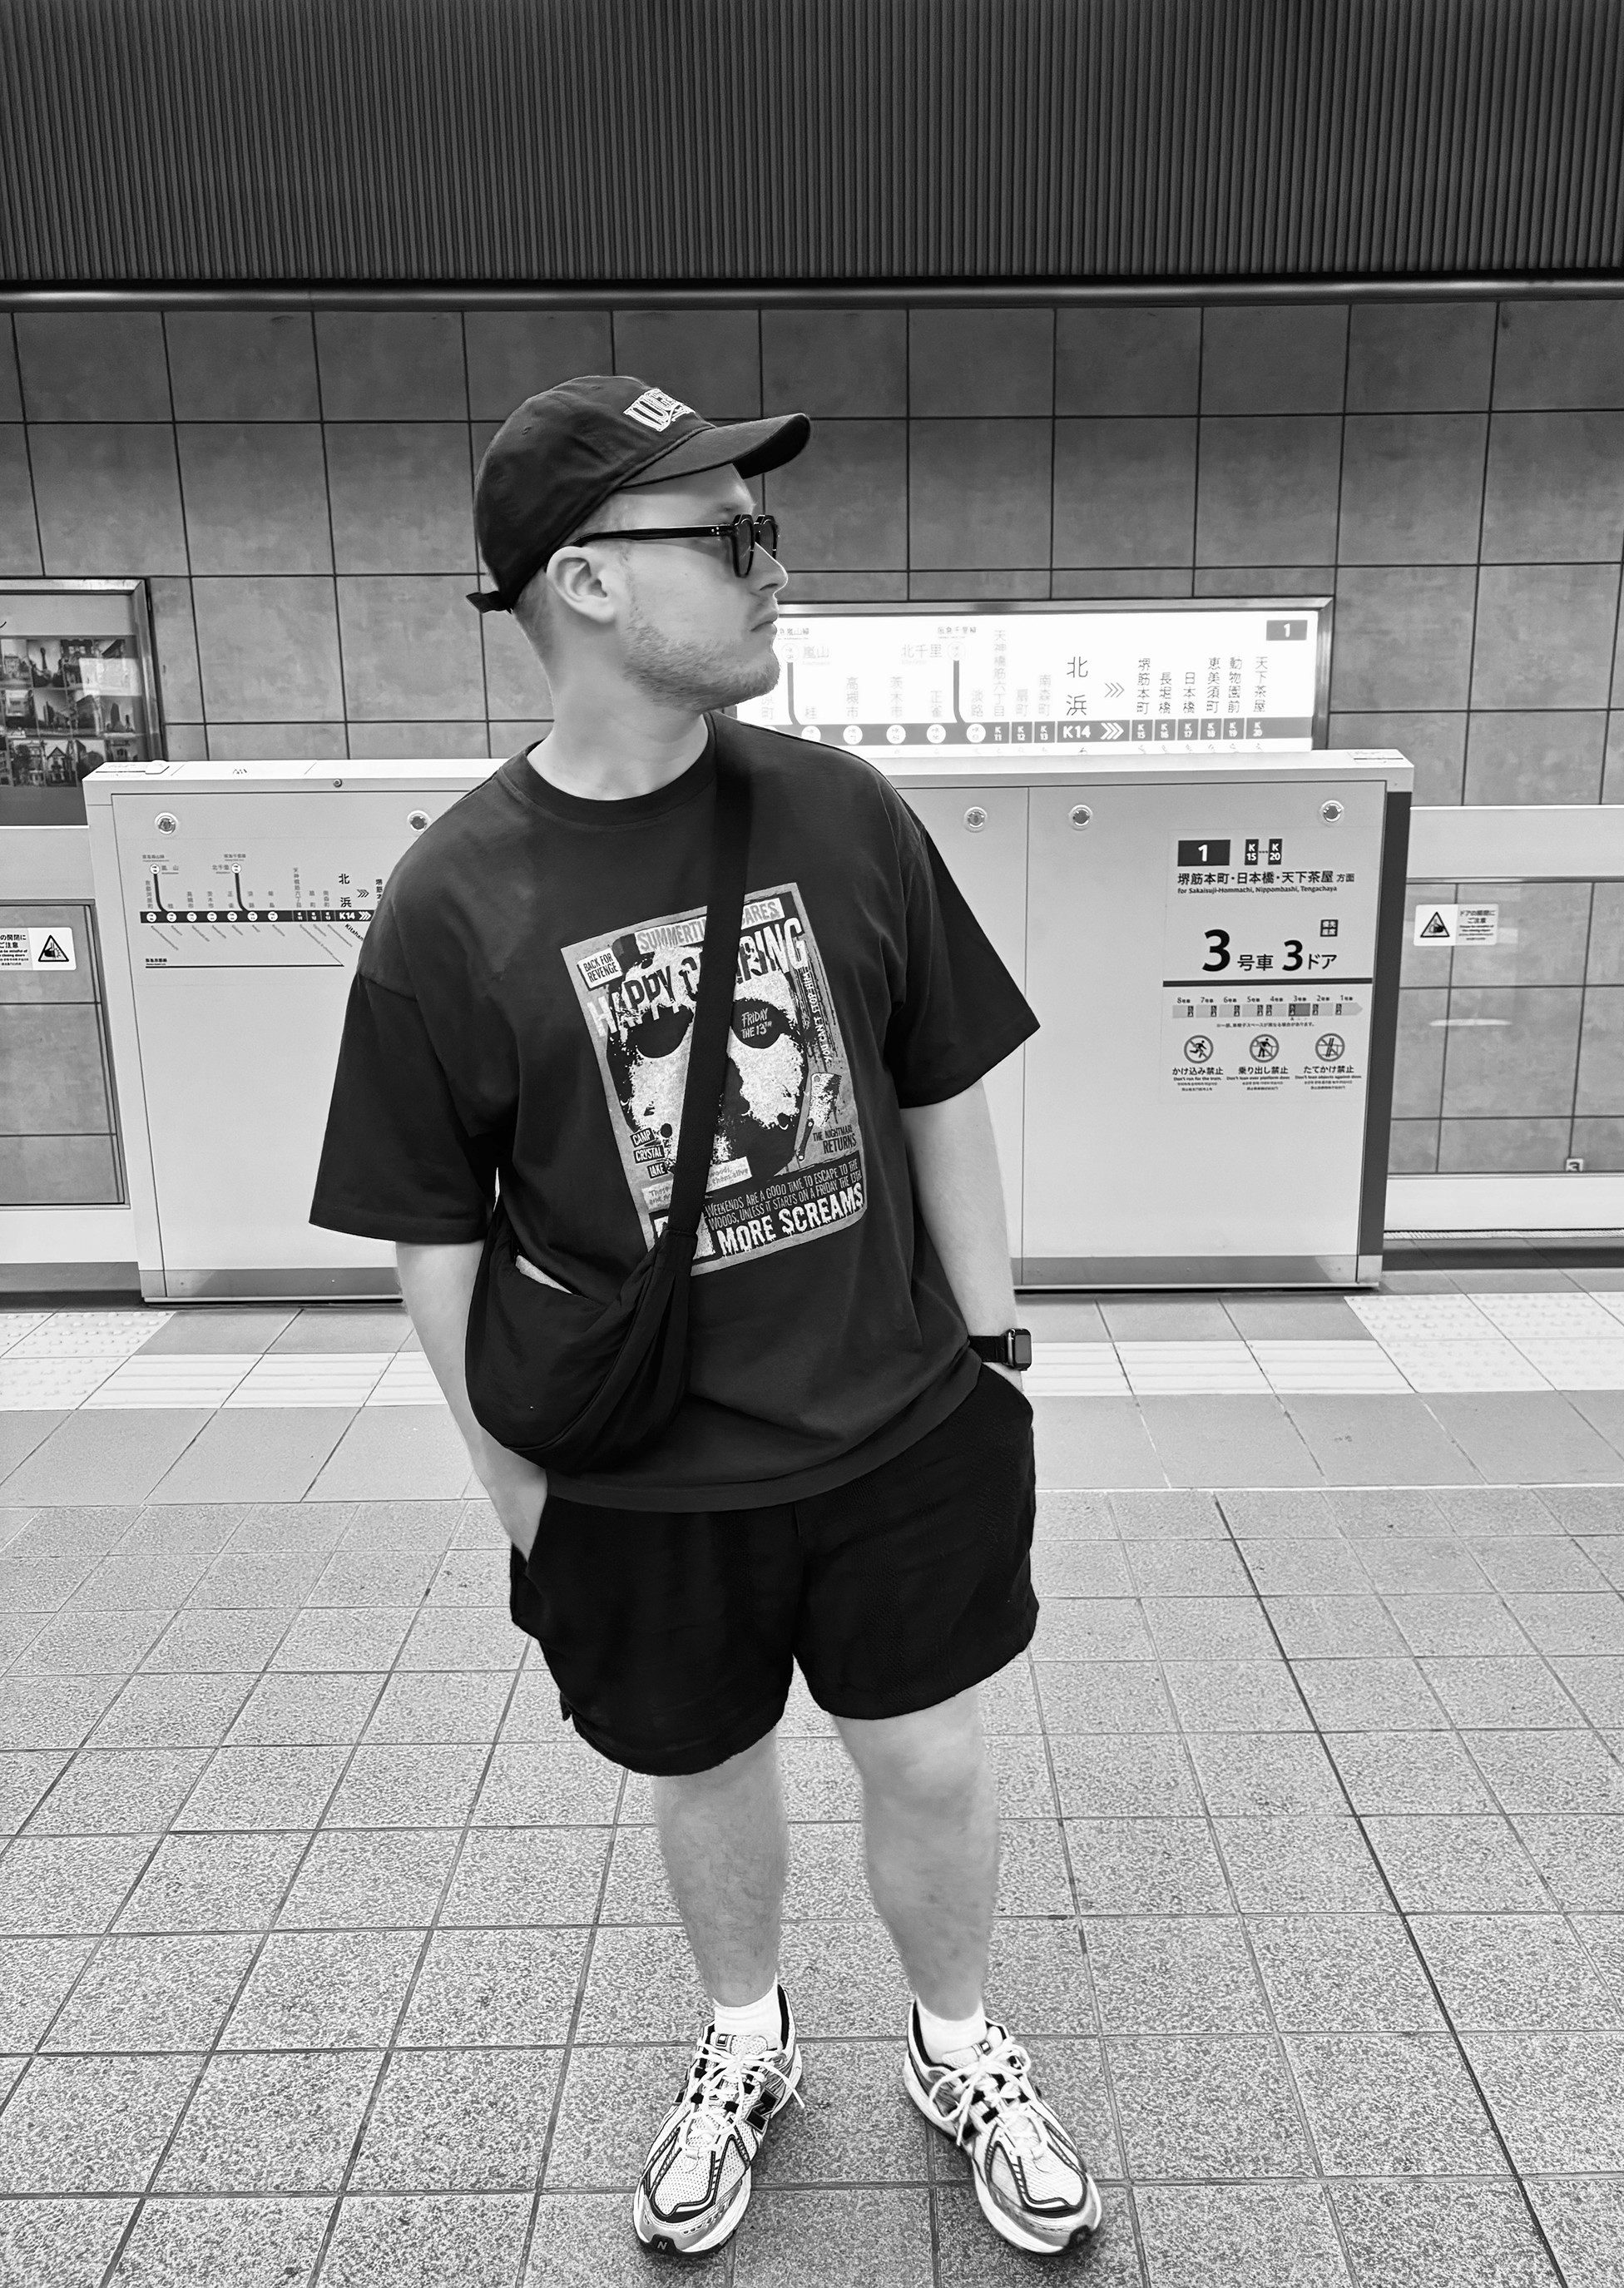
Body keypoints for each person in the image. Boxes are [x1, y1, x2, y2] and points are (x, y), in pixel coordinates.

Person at [310, 374, 1101, 2260]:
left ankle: (959, 2043)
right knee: (702, 1766)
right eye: (729, 537)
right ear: (584, 583)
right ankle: (743, 2040)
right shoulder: (451, 900)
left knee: (929, 1755)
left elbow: (935, 1089)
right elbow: (430, 1229)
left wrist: (992, 1359)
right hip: (643, 1473)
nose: (775, 570)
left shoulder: (842, 810)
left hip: (901, 1427)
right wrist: (520, 1495)